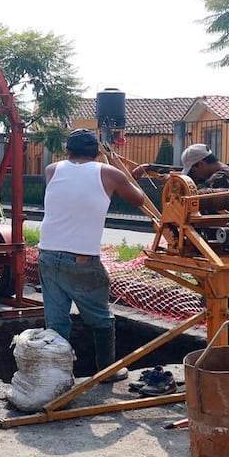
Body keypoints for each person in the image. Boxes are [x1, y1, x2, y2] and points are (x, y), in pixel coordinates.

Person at [134, 143, 229, 346]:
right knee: (225, 301)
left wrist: (177, 186)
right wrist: (153, 168)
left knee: (226, 301)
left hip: (226, 246)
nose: (193, 175)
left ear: (202, 163)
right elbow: (197, 182)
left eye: (193, 169)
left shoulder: (223, 179)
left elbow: (199, 197)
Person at [38, 129, 147, 381]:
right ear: (98, 152)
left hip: (48, 255)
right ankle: (107, 371)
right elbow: (138, 198)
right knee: (101, 320)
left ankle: (57, 376)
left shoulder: (52, 170)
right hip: (82, 261)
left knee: (56, 322)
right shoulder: (110, 173)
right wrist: (129, 177)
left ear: (67, 151)